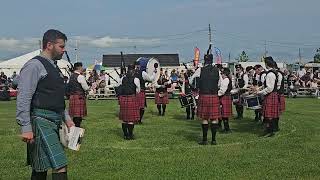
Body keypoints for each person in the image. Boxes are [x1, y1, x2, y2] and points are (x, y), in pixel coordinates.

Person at [16, 29, 74, 180]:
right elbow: (23, 97)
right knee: (60, 164)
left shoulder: (54, 66)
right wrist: (26, 128)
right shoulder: (34, 66)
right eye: (61, 46)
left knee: (40, 166)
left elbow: (57, 97)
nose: (64, 49)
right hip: (41, 120)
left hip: (54, 120)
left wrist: (67, 118)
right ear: (49, 45)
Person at [190, 52, 220, 145]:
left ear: (205, 60)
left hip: (204, 95)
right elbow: (219, 84)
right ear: (212, 60)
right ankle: (214, 140)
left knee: (205, 118)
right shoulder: (217, 70)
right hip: (214, 95)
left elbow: (191, 81)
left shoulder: (200, 70)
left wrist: (198, 86)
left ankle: (204, 140)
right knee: (214, 118)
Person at [256, 56, 279, 137]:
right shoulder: (272, 72)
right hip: (272, 95)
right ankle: (269, 130)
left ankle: (270, 131)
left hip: (270, 94)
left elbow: (269, 88)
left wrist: (259, 92)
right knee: (268, 115)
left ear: (267, 64)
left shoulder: (270, 74)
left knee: (269, 115)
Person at [117, 64, 140, 140]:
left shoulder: (122, 78)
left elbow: (119, 87)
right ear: (133, 70)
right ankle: (130, 135)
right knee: (130, 120)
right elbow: (138, 90)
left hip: (123, 99)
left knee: (124, 119)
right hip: (131, 98)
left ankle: (125, 135)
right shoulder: (136, 79)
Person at [68, 62, 90, 127]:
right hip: (79, 97)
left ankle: (74, 129)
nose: (82, 68)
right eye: (82, 67)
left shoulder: (71, 76)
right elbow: (85, 88)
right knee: (78, 117)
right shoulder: (80, 76)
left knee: (75, 116)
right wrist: (89, 89)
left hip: (72, 96)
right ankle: (77, 130)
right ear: (79, 67)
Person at [218, 68, 232, 133]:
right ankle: (227, 128)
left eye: (222, 73)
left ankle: (227, 129)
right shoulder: (227, 79)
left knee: (224, 115)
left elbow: (222, 91)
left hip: (224, 97)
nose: (221, 75)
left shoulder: (226, 80)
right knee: (224, 115)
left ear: (225, 74)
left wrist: (217, 94)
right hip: (226, 97)